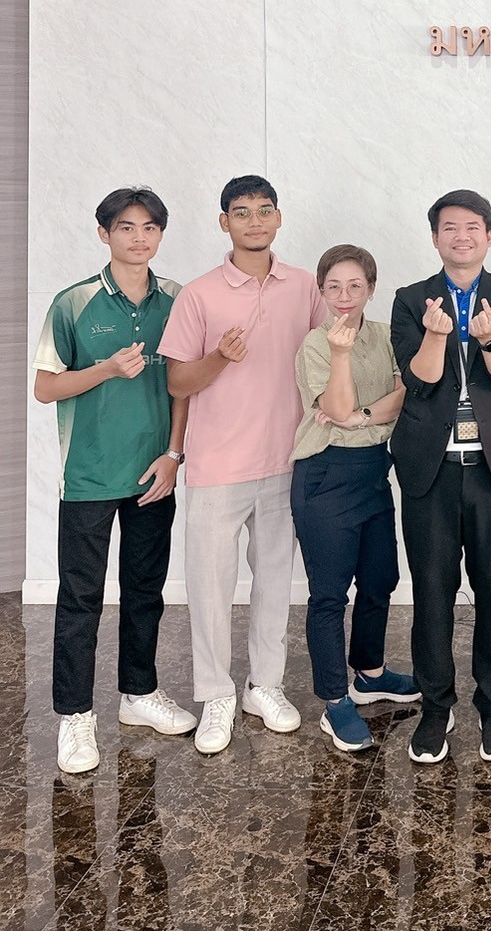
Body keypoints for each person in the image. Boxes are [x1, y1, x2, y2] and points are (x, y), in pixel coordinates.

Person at [158, 175, 326, 754]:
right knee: (210, 587)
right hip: (217, 465)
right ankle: (216, 695)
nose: (255, 221)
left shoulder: (306, 287)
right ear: (223, 222)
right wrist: (219, 359)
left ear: (278, 218)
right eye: (242, 211)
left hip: (286, 461)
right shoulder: (199, 294)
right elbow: (178, 381)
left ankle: (265, 685)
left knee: (275, 581)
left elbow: (328, 357)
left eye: (264, 210)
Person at [33, 187, 196, 774]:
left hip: (153, 470)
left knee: (145, 589)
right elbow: (45, 387)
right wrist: (104, 369)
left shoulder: (178, 299)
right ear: (105, 234)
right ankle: (75, 716)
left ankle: (138, 693)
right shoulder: (73, 303)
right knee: (80, 597)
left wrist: (174, 454)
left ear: (160, 234)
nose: (139, 238)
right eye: (126, 227)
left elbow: (182, 386)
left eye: (150, 227)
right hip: (89, 475)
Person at [390, 190, 491, 765]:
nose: (462, 236)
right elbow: (421, 381)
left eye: (472, 227)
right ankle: (436, 707)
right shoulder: (410, 300)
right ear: (435, 238)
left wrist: (488, 339)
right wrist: (436, 335)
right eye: (450, 227)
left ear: (489, 236)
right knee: (431, 591)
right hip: (429, 468)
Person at [291, 243, 419, 752]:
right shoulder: (316, 345)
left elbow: (403, 395)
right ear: (321, 290)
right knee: (329, 595)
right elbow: (335, 404)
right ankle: (335, 700)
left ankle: (370, 674)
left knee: (380, 578)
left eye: (355, 286)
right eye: (333, 287)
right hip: (325, 473)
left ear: (371, 288)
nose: (344, 296)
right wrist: (341, 357)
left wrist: (361, 416)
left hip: (373, 470)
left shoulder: (387, 336)